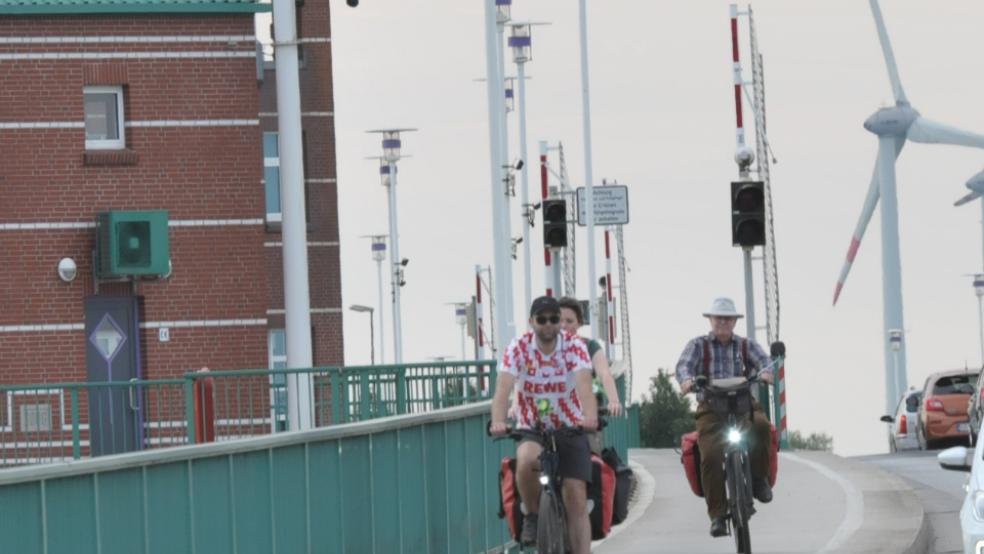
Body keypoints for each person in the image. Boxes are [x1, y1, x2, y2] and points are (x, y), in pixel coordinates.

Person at [490, 296, 598, 553]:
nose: (548, 324)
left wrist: (590, 417)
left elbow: (585, 386)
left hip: (570, 425)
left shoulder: (573, 346)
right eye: (542, 319)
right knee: (526, 460)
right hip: (532, 426)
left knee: (576, 495)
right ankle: (533, 516)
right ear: (531, 322)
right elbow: (502, 390)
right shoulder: (518, 347)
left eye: (554, 319)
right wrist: (498, 421)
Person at [675, 297, 775, 538]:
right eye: (718, 317)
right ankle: (717, 515)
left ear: (734, 322)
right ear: (710, 320)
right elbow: (683, 367)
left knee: (761, 427)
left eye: (728, 318)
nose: (723, 322)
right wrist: (687, 381)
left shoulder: (745, 345)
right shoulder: (698, 345)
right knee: (709, 455)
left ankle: (759, 477)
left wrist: (766, 373)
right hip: (711, 407)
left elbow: (764, 362)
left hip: (743, 404)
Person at [557, 296, 622, 418]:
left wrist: (613, 400)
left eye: (569, 321)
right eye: (559, 320)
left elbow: (604, 374)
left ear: (579, 323)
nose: (563, 325)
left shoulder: (589, 346)